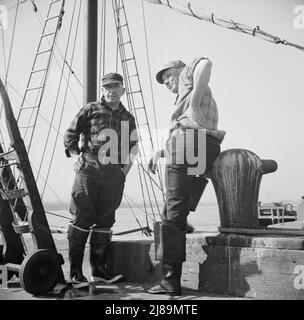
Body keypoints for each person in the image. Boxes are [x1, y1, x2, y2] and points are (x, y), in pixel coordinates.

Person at [146, 58, 226, 296]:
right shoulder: (186, 94)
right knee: (171, 211)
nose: (168, 82)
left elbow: (206, 63)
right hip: (206, 147)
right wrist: (162, 151)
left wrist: (192, 103)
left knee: (172, 213)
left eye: (169, 75)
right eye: (164, 81)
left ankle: (170, 281)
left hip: (187, 145)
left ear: (180, 71)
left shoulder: (187, 79)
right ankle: (183, 225)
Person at [64, 72, 138, 288]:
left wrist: (124, 171)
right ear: (102, 90)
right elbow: (70, 135)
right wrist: (77, 157)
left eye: (116, 86)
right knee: (82, 218)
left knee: (106, 219)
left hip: (114, 171)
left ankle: (99, 272)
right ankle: (76, 274)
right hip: (89, 167)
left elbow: (134, 146)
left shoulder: (128, 118)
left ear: (123, 90)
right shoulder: (90, 109)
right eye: (107, 87)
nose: (111, 90)